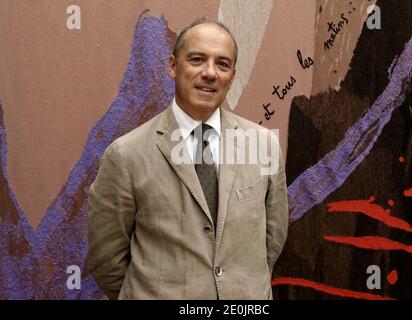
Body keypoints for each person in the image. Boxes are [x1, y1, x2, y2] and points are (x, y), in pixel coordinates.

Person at [88, 17, 289, 300]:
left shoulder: (263, 145)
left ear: (232, 75)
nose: (210, 73)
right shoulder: (126, 155)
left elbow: (273, 237)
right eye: (197, 59)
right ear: (173, 66)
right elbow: (106, 259)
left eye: (222, 64)